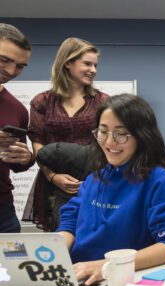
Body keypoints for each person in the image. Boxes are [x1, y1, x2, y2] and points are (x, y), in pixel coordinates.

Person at [56, 94, 165, 285]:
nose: (110, 142)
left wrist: (106, 266)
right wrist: (53, 251)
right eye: (103, 132)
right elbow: (71, 218)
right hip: (78, 277)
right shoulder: (94, 178)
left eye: (121, 134)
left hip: (120, 281)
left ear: (142, 136)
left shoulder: (156, 180)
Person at [26, 37, 109, 231]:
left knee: (95, 233)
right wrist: (53, 176)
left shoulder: (103, 102)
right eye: (87, 64)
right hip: (53, 183)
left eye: (95, 65)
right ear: (68, 63)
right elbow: (38, 145)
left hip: (94, 181)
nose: (93, 70)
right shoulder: (42, 102)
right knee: (59, 234)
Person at [0, 23, 34, 232]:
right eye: (4, 60)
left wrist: (25, 158)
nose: (12, 71)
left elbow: (19, 165)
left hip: (3, 210)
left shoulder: (17, 108)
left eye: (20, 66)